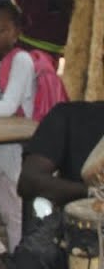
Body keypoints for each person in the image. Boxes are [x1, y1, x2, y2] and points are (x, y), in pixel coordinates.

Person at [14, 95, 104, 269]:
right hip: (74, 230)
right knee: (31, 257)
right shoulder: (70, 115)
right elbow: (29, 180)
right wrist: (88, 192)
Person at [0, 0, 35, 261]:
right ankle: (5, 255)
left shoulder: (22, 60)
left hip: (14, 146)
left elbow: (10, 106)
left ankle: (4, 256)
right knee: (9, 208)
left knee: (11, 210)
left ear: (16, 32)